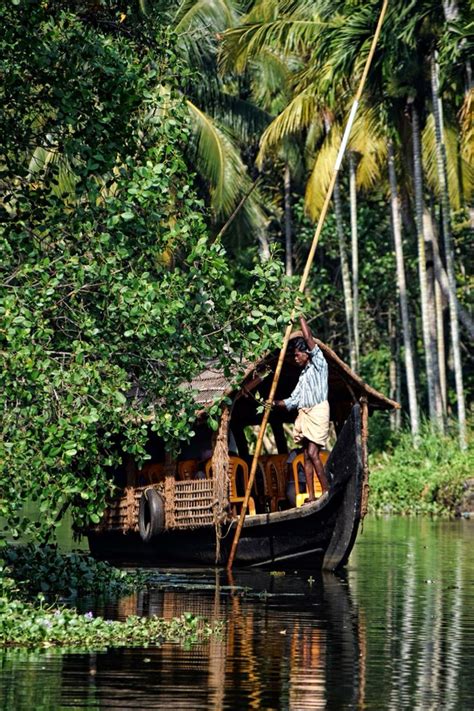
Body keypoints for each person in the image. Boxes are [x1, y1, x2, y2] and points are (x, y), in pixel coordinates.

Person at [273, 316, 330, 501]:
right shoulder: (303, 376)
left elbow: (308, 337)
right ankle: (312, 496)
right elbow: (292, 401)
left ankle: (327, 492)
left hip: (318, 412)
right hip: (305, 414)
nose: (295, 358)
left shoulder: (319, 364)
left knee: (313, 453)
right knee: (306, 456)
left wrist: (299, 316)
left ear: (307, 353)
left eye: (298, 354)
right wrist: (273, 403)